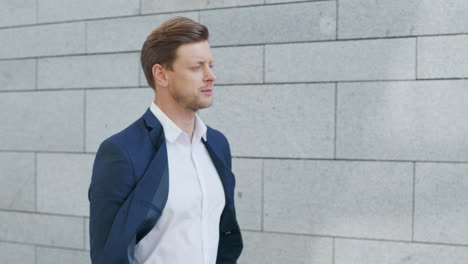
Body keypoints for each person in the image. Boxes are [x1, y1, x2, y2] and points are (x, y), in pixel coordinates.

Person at [88, 16, 243, 264]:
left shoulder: (216, 144)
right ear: (161, 74)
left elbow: (223, 233)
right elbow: (108, 255)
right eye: (197, 67)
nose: (210, 76)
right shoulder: (122, 152)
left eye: (211, 65)